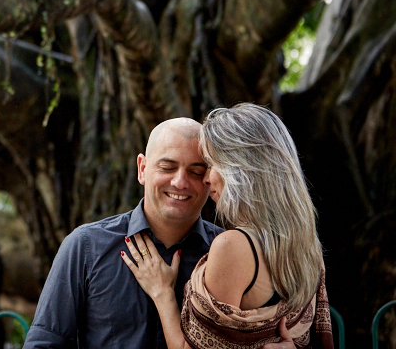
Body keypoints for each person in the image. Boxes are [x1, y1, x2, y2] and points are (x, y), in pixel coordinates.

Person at [22, 117, 294, 349]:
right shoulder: (87, 246)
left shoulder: (231, 255)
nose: (180, 182)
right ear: (142, 169)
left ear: (210, 179)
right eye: (167, 167)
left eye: (196, 172)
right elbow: (44, 343)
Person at [122, 104, 333, 348]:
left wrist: (162, 293)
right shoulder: (306, 246)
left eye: (211, 164)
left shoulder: (232, 246)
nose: (207, 178)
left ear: (241, 169)